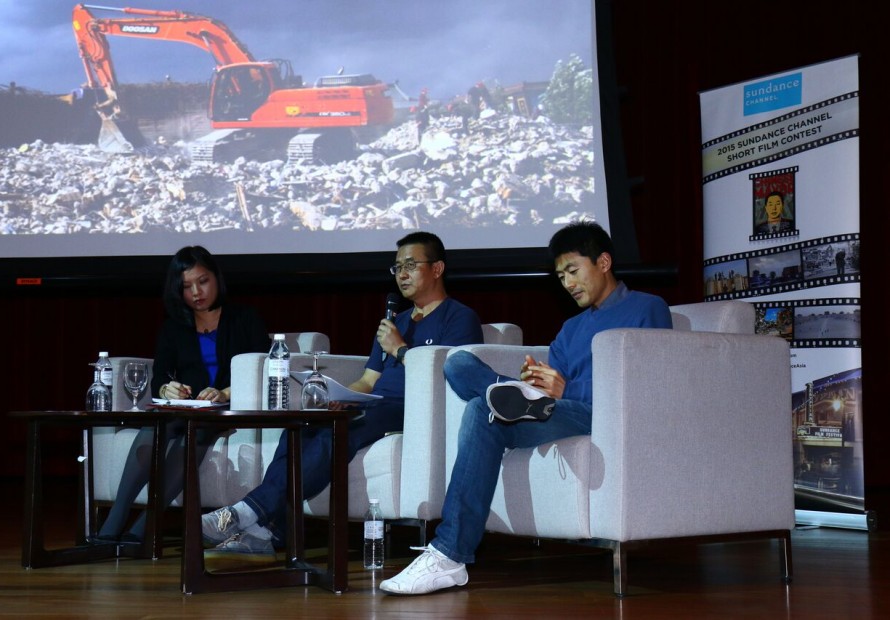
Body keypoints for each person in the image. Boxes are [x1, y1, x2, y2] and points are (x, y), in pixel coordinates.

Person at [380, 221, 673, 595]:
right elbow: (558, 388)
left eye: (573, 271)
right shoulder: (570, 328)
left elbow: (653, 382)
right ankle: (449, 560)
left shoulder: (647, 308)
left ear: (602, 261)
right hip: (558, 414)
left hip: (604, 416)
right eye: (561, 276)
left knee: (484, 406)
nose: (568, 284)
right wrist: (538, 383)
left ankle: (506, 400)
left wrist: (568, 387)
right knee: (461, 370)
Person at [201, 231, 484, 553]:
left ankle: (245, 512)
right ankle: (269, 534)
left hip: (412, 409)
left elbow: (447, 377)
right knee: (304, 426)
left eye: (410, 265)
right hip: (375, 403)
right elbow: (367, 380)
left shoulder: (459, 318)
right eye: (396, 268)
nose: (402, 274)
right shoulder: (396, 321)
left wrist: (401, 349)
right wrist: (339, 397)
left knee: (338, 433)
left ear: (437, 268)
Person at [97, 246, 269, 542]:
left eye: (202, 281)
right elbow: (161, 375)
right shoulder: (174, 327)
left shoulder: (245, 318)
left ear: (216, 278)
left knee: (196, 434)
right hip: (188, 410)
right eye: (187, 287)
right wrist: (167, 388)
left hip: (229, 411)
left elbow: (263, 366)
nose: (197, 292)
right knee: (159, 428)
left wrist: (225, 391)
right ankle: (115, 520)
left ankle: (146, 526)